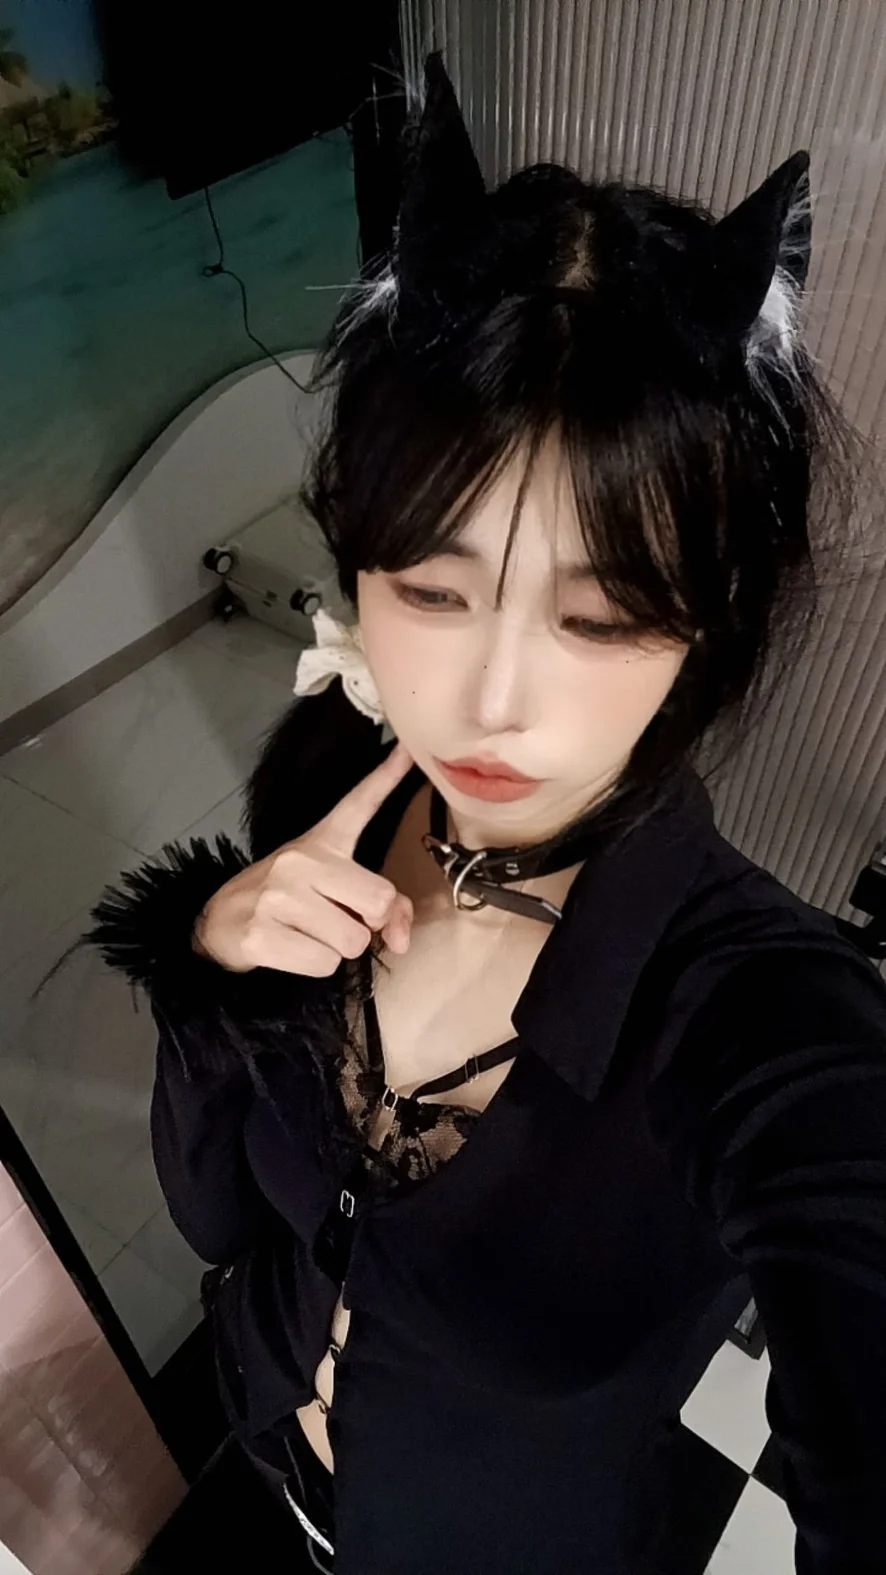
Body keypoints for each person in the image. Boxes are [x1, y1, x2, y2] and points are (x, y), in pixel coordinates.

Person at [41, 51, 886, 1575]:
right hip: (262, 1465)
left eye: (602, 617)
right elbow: (218, 1221)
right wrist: (215, 962)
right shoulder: (328, 785)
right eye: (432, 591)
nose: (490, 704)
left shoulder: (756, 1015)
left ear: (710, 626)